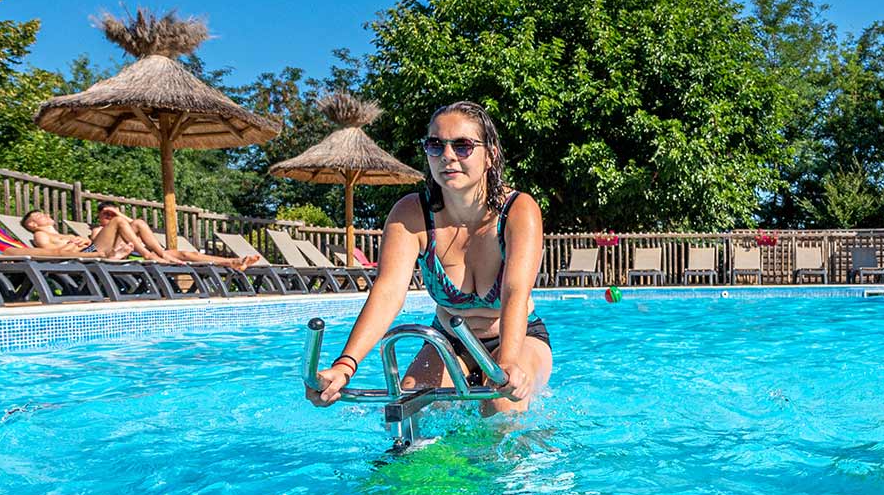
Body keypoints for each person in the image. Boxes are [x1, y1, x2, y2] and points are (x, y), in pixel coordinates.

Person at [306, 101, 552, 416]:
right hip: (449, 339)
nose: (447, 155)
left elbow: (515, 291)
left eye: (463, 146)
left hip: (519, 338)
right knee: (410, 407)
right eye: (436, 145)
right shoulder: (411, 214)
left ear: (490, 155)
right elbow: (388, 292)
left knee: (501, 406)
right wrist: (344, 367)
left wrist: (507, 364)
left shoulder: (518, 210)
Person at [87, 202, 259, 269]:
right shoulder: (97, 231)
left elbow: (132, 227)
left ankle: (232, 262)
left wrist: (119, 215)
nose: (109, 218)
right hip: (127, 256)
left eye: (112, 215)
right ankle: (160, 255)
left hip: (149, 253)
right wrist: (118, 218)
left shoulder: (125, 225)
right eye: (105, 214)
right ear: (98, 217)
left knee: (188, 254)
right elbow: (101, 249)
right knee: (138, 223)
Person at [0, 198, 105, 259]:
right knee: (56, 253)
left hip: (18, 248)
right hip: (6, 252)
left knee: (61, 251)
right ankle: (102, 254)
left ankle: (99, 253)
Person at [21, 209, 158, 258]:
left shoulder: (62, 234)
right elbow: (52, 253)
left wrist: (83, 241)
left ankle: (160, 253)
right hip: (89, 253)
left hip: (91, 248)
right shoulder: (40, 235)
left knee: (138, 223)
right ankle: (146, 254)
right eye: (39, 216)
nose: (46, 215)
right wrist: (73, 244)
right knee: (117, 221)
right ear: (32, 225)